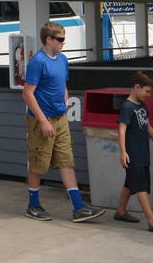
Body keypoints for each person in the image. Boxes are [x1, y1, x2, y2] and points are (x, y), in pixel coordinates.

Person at [22, 21, 105, 223]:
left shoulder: (62, 59)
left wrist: (65, 99)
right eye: (60, 39)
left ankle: (78, 207)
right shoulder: (38, 61)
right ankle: (33, 205)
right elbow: (28, 93)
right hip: (42, 120)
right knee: (38, 163)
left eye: (63, 39)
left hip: (60, 118)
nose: (62, 43)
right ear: (48, 39)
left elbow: (63, 84)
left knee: (66, 160)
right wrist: (42, 120)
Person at [114, 71, 153, 231]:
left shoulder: (142, 105)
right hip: (133, 155)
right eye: (146, 91)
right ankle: (152, 221)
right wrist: (123, 152)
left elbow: (148, 126)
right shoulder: (127, 106)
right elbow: (122, 130)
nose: (148, 95)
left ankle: (120, 211)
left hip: (143, 153)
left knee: (131, 183)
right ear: (137, 87)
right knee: (141, 187)